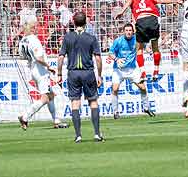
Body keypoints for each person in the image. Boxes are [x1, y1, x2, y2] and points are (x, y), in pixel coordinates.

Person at [57, 11, 104, 143]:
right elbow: (98, 58)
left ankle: (78, 135)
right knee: (93, 102)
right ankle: (96, 134)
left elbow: (60, 57)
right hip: (88, 72)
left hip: (73, 73)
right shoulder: (91, 38)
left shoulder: (67, 37)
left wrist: (59, 74)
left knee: (75, 103)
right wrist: (99, 75)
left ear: (73, 22)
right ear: (85, 23)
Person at [115, 0, 181, 82]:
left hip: (141, 20)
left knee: (139, 49)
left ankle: (143, 74)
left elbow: (129, 1)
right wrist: (176, 1)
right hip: (152, 19)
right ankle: (156, 72)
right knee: (155, 48)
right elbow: (160, 0)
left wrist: (121, 11)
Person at [17, 19, 66, 130]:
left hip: (33, 70)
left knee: (51, 95)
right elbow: (39, 58)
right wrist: (48, 66)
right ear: (33, 28)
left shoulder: (22, 41)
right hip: (40, 71)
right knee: (45, 98)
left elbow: (22, 56)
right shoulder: (34, 40)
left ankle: (56, 121)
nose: (38, 29)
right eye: (37, 26)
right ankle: (25, 116)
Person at [108, 23, 155, 119]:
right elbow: (110, 53)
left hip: (132, 69)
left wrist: (148, 50)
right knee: (115, 89)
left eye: (130, 30)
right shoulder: (118, 41)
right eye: (127, 30)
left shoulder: (137, 40)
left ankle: (146, 108)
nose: (128, 32)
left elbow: (144, 46)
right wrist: (117, 59)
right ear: (123, 31)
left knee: (143, 88)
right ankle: (115, 111)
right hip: (119, 69)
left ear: (133, 31)